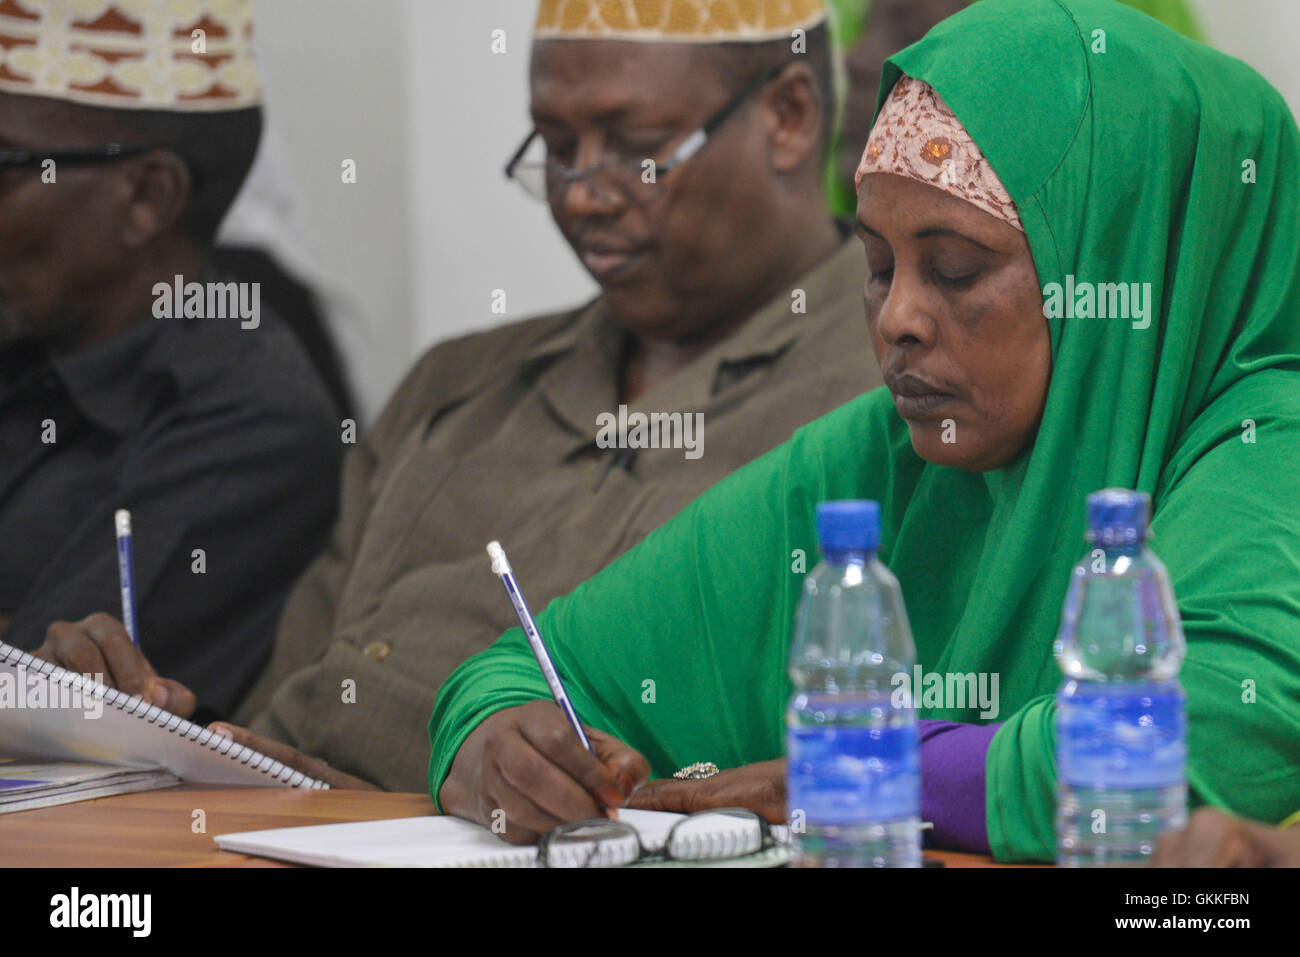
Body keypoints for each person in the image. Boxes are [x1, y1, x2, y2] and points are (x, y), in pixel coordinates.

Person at [428, 0, 1300, 861]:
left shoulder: (1268, 451)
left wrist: (859, 770)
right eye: (879, 267)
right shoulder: (882, 456)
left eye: (956, 268)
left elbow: (1191, 757)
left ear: (1122, 261)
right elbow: (530, 672)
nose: (898, 319)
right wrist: (496, 745)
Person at [33, 0, 882, 791]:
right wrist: (120, 713)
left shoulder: (883, 400)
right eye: (554, 144)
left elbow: (820, 770)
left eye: (634, 145)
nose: (581, 193)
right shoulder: (459, 385)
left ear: (790, 116)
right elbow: (287, 709)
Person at [0, 0, 341, 716]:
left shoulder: (252, 419)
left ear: (148, 198)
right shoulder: (25, 332)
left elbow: (37, 696)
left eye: (5, 167)